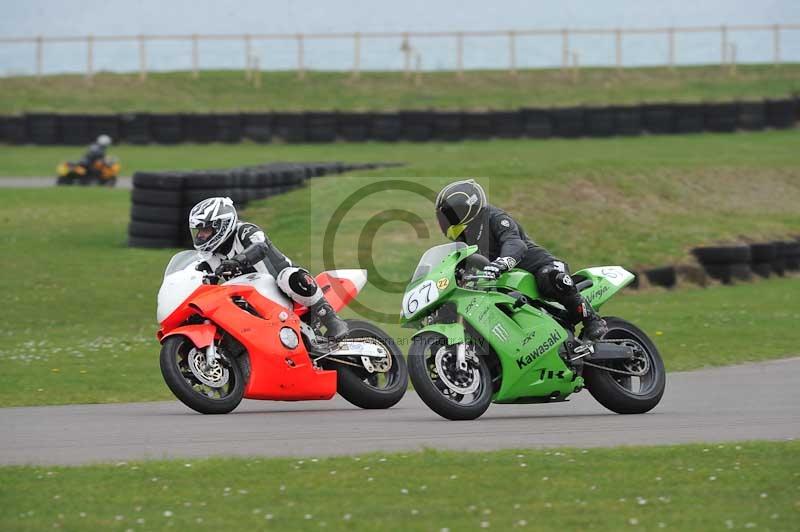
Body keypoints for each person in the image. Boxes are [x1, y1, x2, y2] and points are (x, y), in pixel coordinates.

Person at [434, 179, 608, 341]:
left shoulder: (495, 217)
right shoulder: (464, 242)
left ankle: (592, 320)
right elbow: (454, 267)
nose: (444, 223)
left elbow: (514, 242)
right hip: (509, 284)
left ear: (467, 210)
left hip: (541, 267)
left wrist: (503, 262)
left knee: (549, 278)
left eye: (448, 216)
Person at [188, 196, 349, 340]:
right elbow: (205, 282)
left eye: (206, 230)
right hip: (250, 301)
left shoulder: (245, 231)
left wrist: (238, 261)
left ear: (221, 225)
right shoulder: (211, 256)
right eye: (199, 231)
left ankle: (330, 318)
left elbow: (260, 247)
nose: (200, 236)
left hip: (281, 291)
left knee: (289, 277)